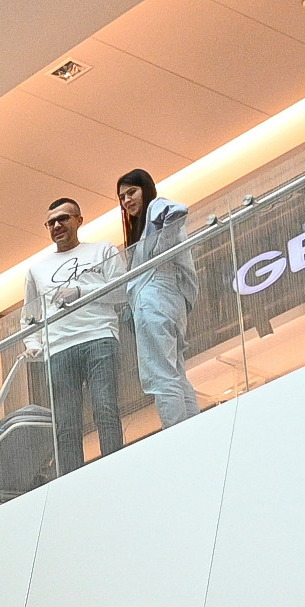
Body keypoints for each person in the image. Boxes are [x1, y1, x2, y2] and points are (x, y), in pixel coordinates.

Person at [25, 196, 126, 478]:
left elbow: (122, 291)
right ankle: (72, 481)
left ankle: (116, 471)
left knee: (105, 409)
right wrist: (33, 344)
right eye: (51, 222)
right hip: (58, 348)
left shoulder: (102, 250)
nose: (57, 225)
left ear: (79, 220)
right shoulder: (36, 269)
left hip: (99, 336)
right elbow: (29, 316)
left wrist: (81, 291)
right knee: (66, 424)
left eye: (63, 219)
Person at [117, 167, 196, 427]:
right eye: (122, 197)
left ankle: (177, 432)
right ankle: (192, 427)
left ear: (146, 189)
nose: (127, 200)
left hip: (154, 297)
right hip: (169, 299)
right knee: (175, 372)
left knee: (161, 374)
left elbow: (177, 210)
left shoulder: (156, 207)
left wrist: (159, 250)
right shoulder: (147, 225)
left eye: (132, 192)